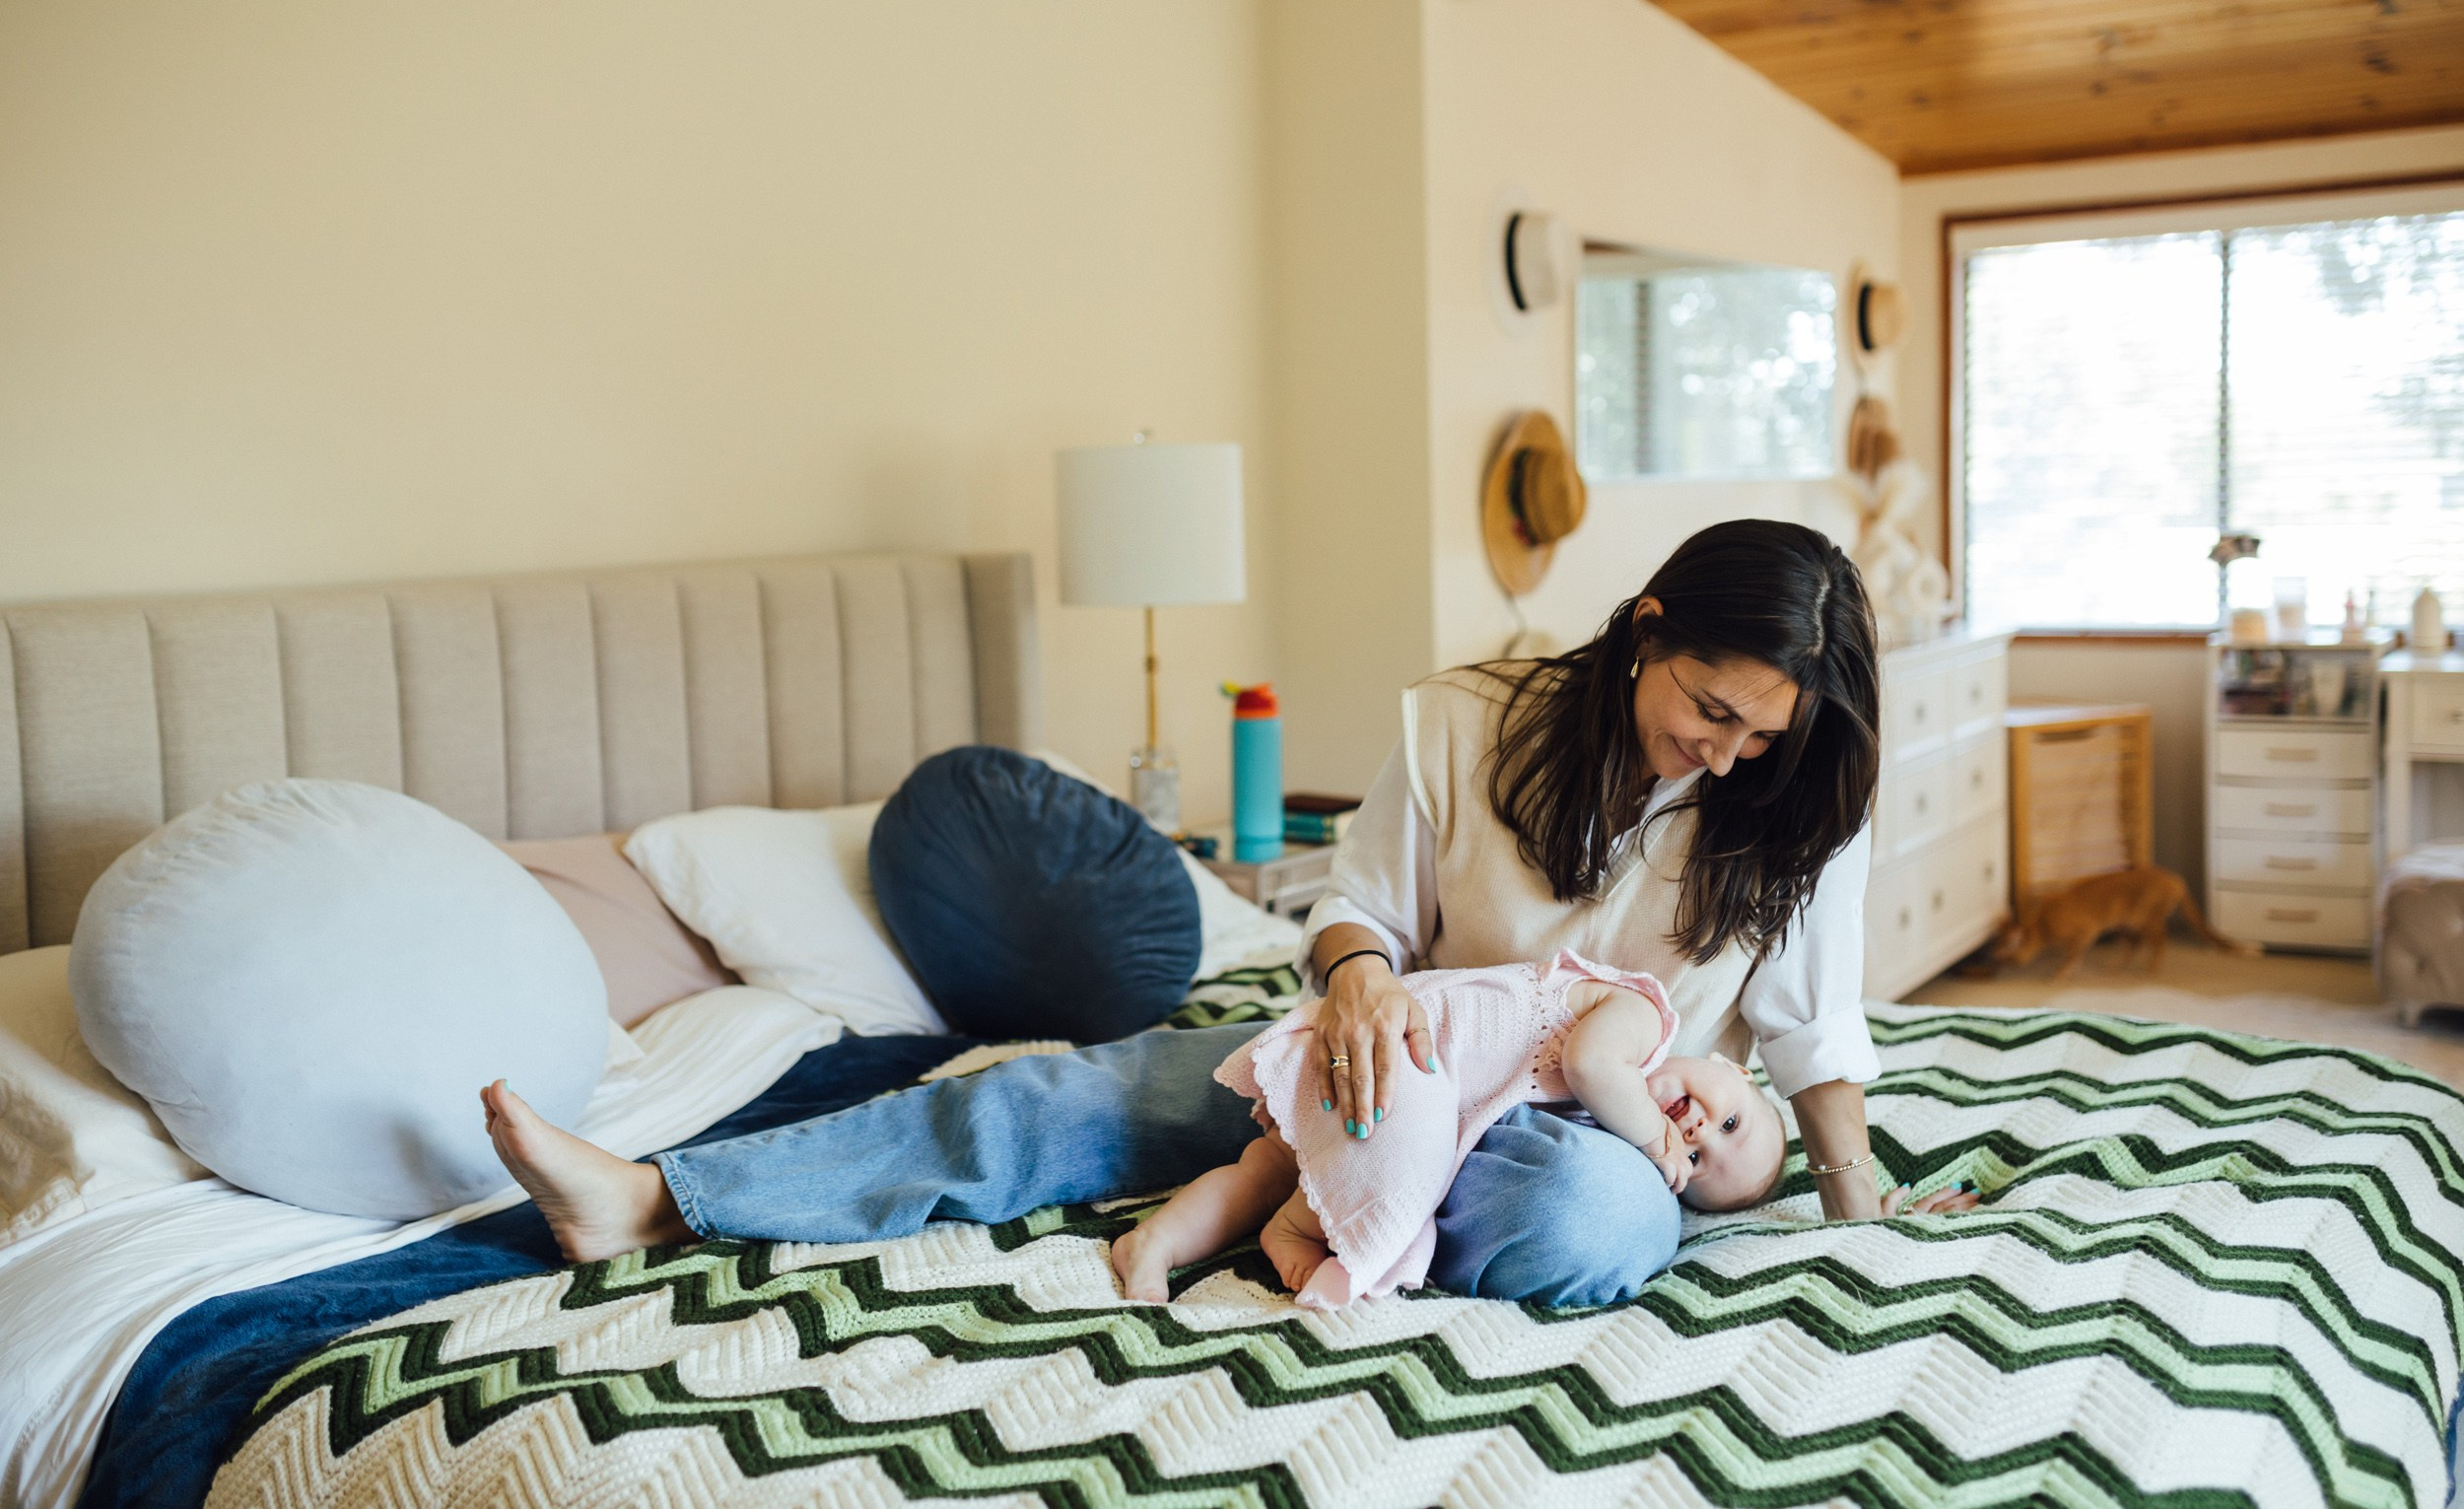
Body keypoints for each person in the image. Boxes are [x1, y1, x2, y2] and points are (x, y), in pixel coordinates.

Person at [484, 518, 1976, 1308]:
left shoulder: (1789, 803)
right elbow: (1357, 910)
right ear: (1648, 625)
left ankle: (1323, 1227)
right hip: (1394, 1069)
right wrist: (1357, 989)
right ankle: (660, 1195)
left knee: (1583, 1215)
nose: (1727, 752)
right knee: (1053, 1101)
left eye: (1759, 735)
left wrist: (1856, 1186)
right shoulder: (1464, 720)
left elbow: (1808, 1021)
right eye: (1712, 710)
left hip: (1581, 1126)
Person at [1110, 949, 1786, 1308]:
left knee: (1266, 1169)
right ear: (1736, 1065)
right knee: (1403, 1195)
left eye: (1695, 1157)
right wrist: (1650, 1137)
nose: (1695, 1129)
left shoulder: (1603, 1117)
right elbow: (1587, 1061)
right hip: (1406, 1048)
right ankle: (1298, 1228)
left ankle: (1156, 1241)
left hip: (1403, 1077)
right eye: (1730, 1119)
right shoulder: (1644, 1020)